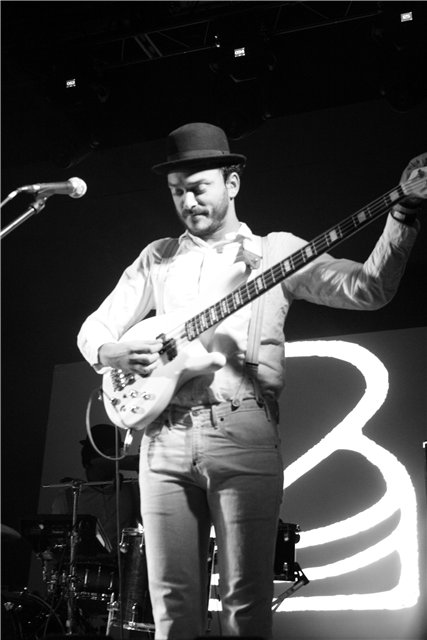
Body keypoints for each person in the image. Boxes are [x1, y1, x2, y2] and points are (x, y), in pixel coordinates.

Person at [77, 123, 425, 640]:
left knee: (245, 602)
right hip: (163, 438)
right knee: (171, 607)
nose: (187, 202)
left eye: (199, 187)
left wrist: (401, 214)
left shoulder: (275, 250)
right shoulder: (158, 257)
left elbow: (367, 289)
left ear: (232, 183)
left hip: (241, 429)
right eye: (176, 191)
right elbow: (95, 329)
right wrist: (112, 351)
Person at [51, 423, 140, 552]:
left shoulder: (130, 490)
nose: (115, 460)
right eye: (110, 455)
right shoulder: (69, 497)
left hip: (123, 562)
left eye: (117, 455)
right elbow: (57, 545)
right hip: (83, 563)